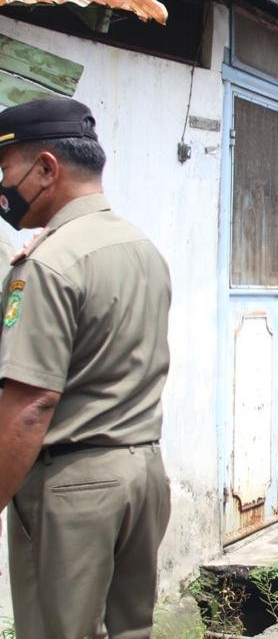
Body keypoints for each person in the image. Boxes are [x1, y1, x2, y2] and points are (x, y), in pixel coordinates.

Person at [0, 97, 172, 637]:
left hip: (74, 485)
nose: (2, 187)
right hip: (143, 473)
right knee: (129, 630)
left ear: (46, 168)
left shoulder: (48, 264)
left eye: (4, 171)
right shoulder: (142, 247)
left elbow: (31, 404)